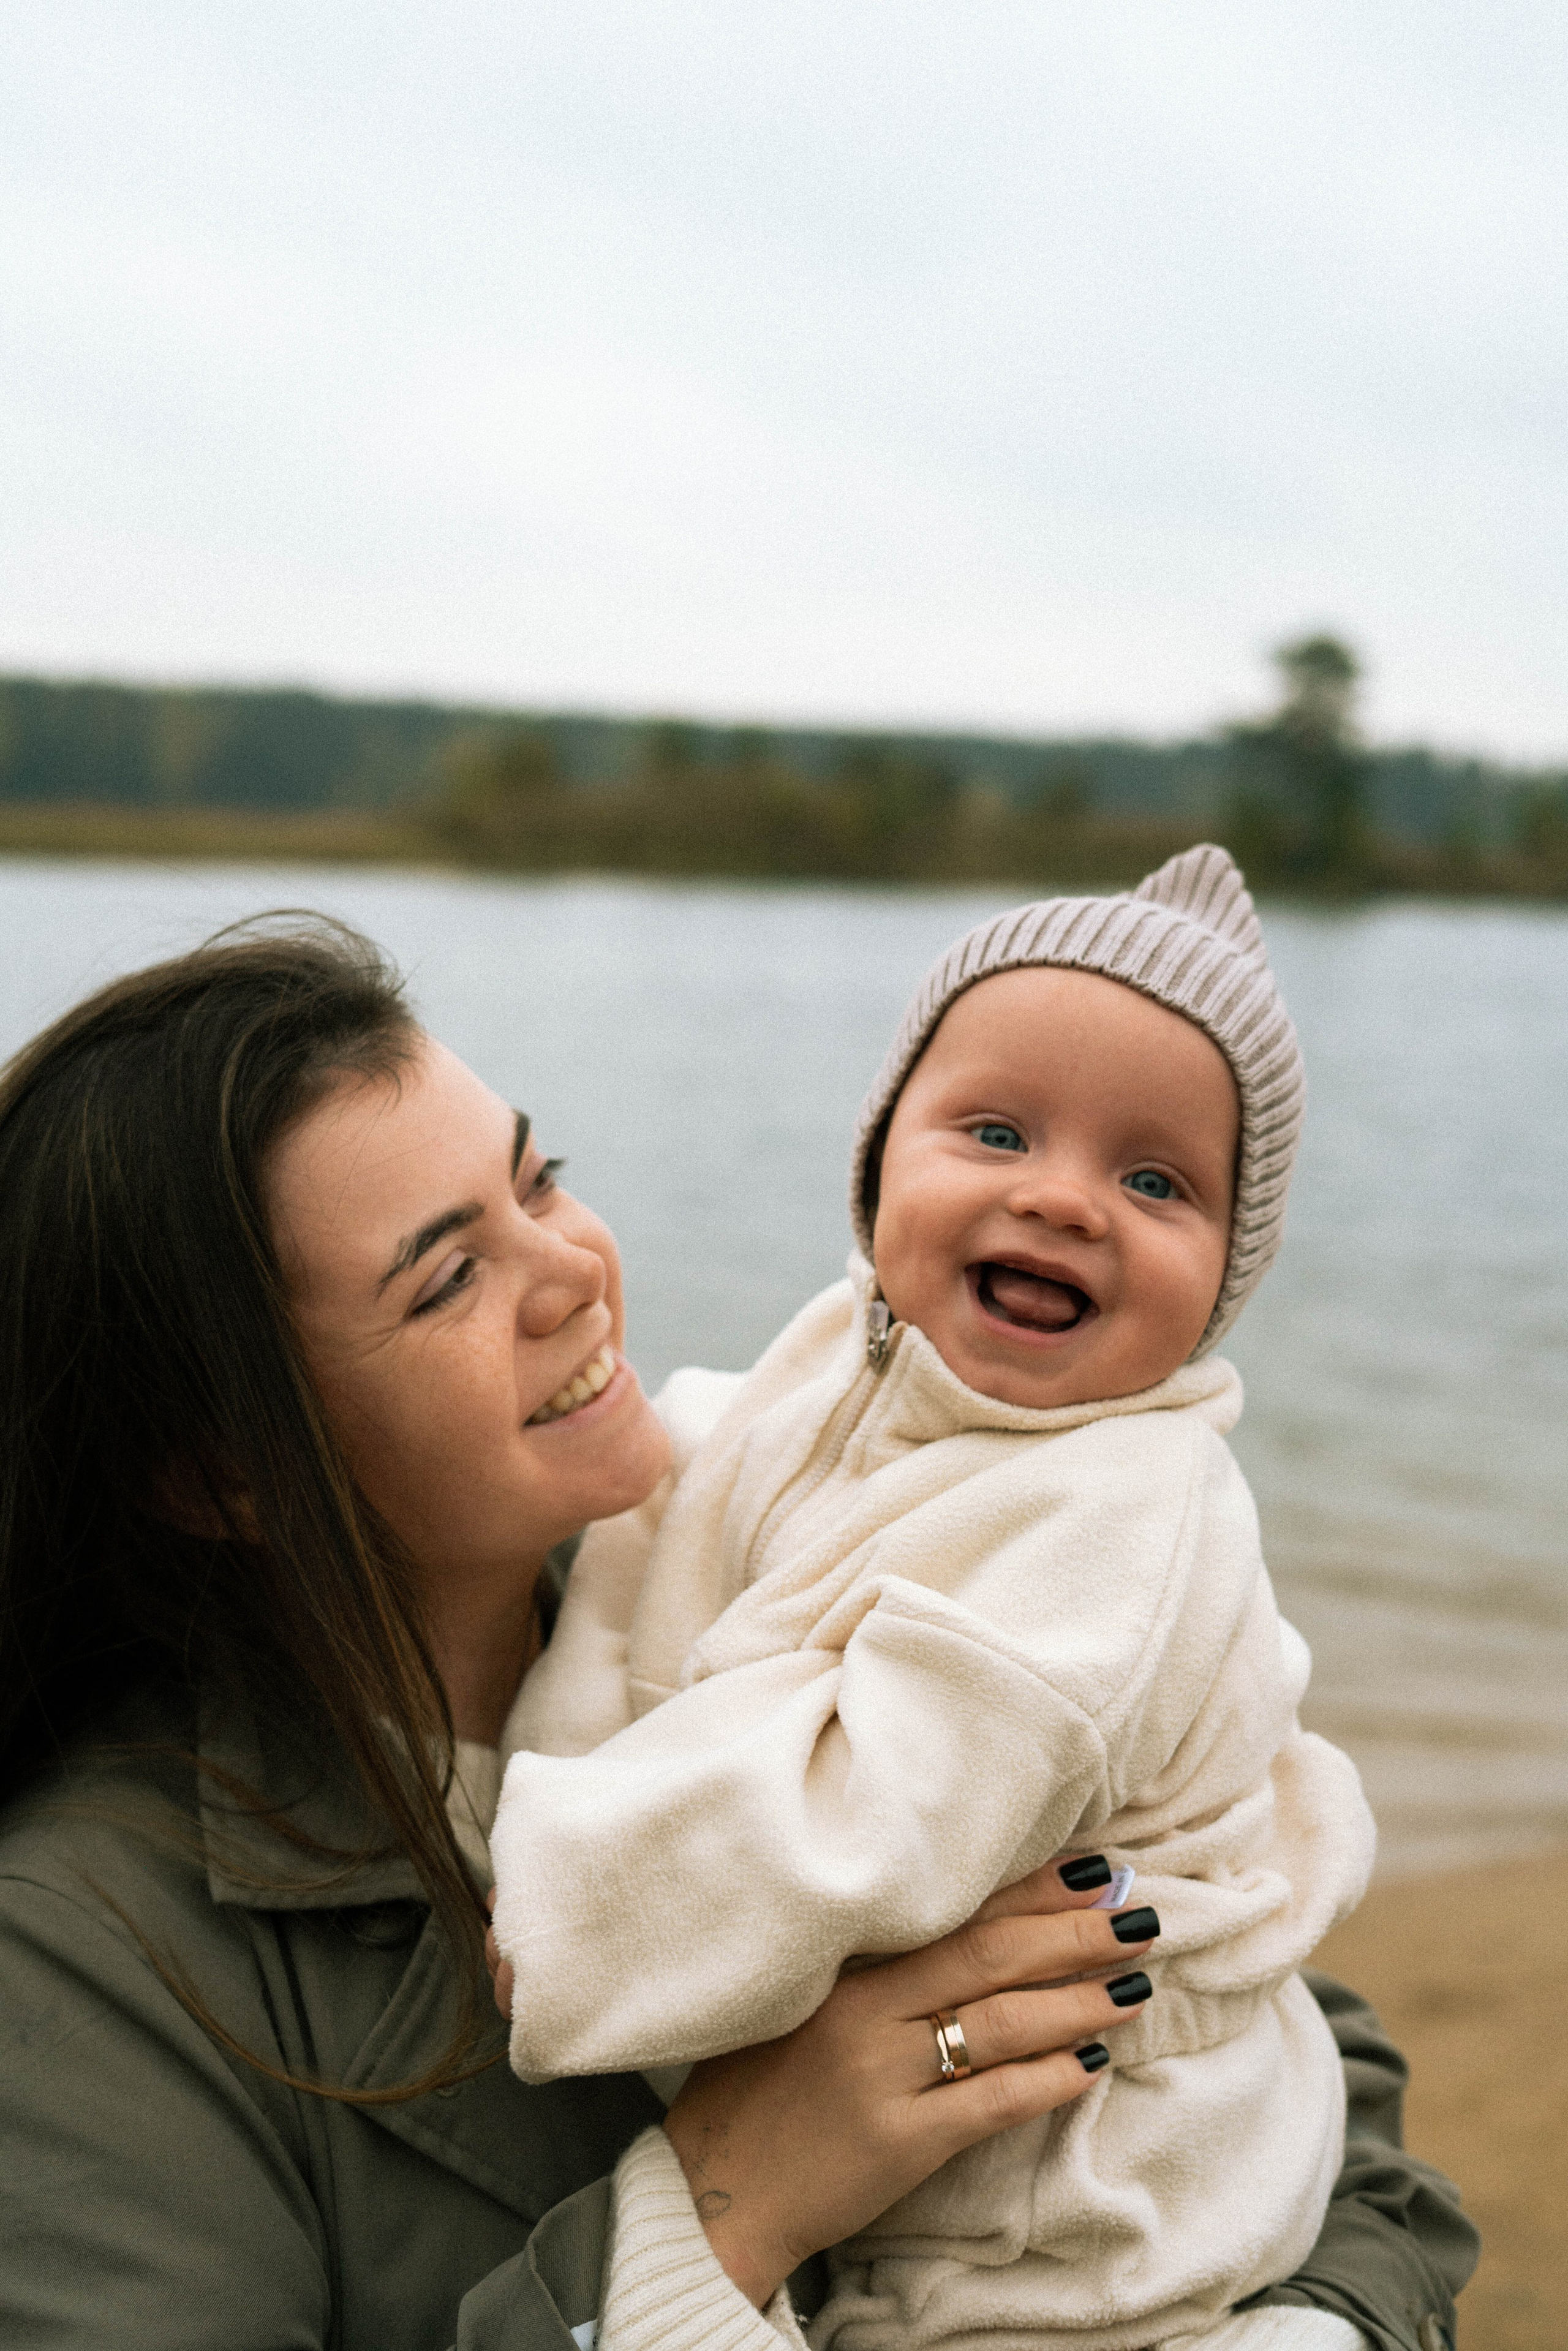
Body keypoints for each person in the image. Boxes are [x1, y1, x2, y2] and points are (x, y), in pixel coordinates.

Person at [0, 915, 1475, 2351]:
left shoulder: (759, 1549)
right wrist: (719, 2211)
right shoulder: (80, 1957)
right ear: (222, 1472)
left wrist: (1318, 2319)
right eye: (450, 1274)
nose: (574, 1268)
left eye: (540, 1180)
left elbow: (1292, 2040)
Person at [491, 846, 1376, 2350]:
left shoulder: (1122, 1516)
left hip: (1081, 2214)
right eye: (993, 1127)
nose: (1061, 1197)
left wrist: (563, 1918)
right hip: (910, 2147)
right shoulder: (824, 1360)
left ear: (1226, 1272)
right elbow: (652, 1592)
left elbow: (869, 1818)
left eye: (1153, 1179)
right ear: (877, 1152)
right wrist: (503, 1810)